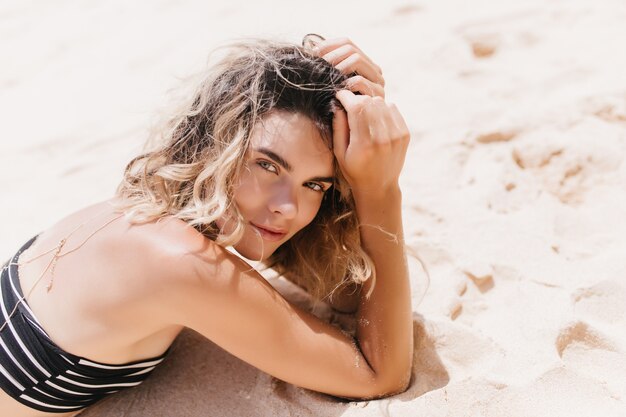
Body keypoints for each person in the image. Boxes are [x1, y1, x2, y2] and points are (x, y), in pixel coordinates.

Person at [0, 34, 413, 417]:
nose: (289, 208)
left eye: (315, 184)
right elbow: (379, 375)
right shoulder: (179, 260)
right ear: (216, 143)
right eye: (268, 165)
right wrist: (380, 193)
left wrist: (358, 125)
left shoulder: (173, 208)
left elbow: (344, 296)